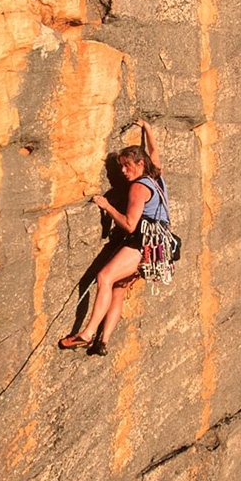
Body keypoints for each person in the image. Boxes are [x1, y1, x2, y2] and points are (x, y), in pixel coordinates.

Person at [59, 119, 169, 355]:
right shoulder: (156, 175)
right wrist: (147, 128)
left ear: (140, 164)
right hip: (158, 245)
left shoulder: (139, 188)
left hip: (142, 242)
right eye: (120, 166)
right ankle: (103, 342)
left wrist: (106, 206)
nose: (122, 171)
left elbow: (130, 224)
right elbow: (154, 151)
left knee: (104, 277)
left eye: (127, 166)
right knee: (118, 287)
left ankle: (87, 334)